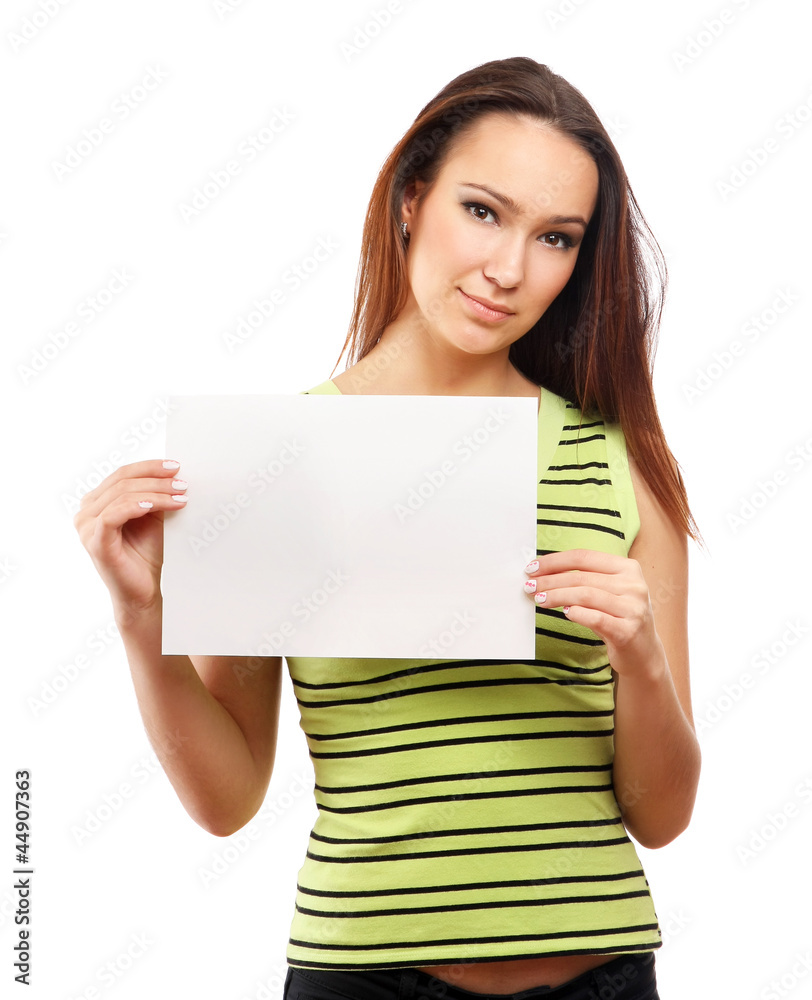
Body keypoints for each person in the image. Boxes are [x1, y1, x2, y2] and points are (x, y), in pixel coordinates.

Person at [74, 56, 701, 1000]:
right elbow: (227, 800)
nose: (509, 269)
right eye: (482, 211)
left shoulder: (620, 460)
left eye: (555, 238)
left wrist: (640, 657)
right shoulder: (275, 460)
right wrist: (140, 617)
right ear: (412, 199)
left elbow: (665, 817)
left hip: (601, 978)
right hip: (363, 979)